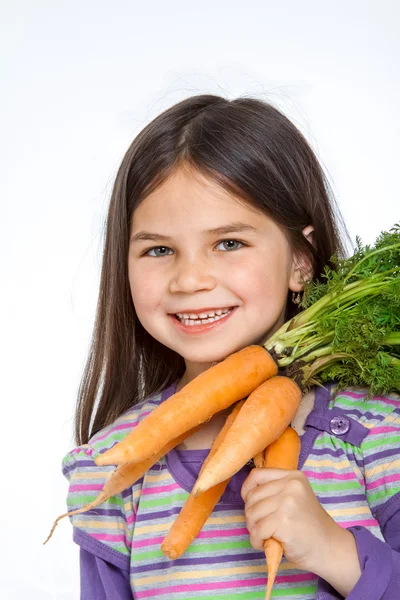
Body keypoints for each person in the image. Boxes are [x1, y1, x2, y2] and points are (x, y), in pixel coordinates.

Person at [62, 94, 400, 599]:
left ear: (300, 263)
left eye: (229, 243)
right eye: (158, 249)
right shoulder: (114, 473)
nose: (190, 279)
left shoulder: (376, 438)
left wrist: (335, 551)